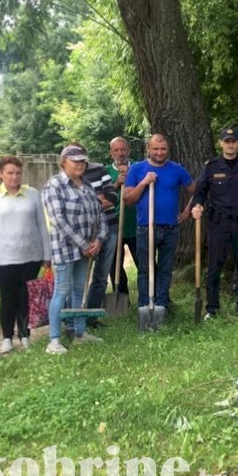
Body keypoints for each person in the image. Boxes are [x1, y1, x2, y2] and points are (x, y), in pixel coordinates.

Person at [0, 156, 52, 353]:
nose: (14, 177)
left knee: (26, 297)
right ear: (1, 174)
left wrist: (47, 253)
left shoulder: (32, 194)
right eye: (9, 173)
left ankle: (25, 335)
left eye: (17, 173)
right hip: (4, 257)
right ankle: (6, 337)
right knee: (8, 298)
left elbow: (42, 225)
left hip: (31, 255)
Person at [192, 127, 238, 318]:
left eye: (233, 141)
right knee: (215, 266)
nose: (230, 144)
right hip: (219, 223)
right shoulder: (212, 166)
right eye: (227, 141)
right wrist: (197, 205)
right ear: (221, 143)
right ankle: (212, 308)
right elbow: (200, 191)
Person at [42, 146, 108, 354]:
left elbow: (100, 216)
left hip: (86, 249)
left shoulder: (86, 185)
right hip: (65, 250)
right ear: (63, 162)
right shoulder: (54, 186)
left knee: (80, 290)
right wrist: (84, 244)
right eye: (75, 161)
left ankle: (79, 333)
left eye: (83, 161)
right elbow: (58, 220)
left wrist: (98, 239)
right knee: (61, 292)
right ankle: (54, 340)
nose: (80, 164)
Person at [124, 134, 195, 314]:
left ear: (168, 149)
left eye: (163, 149)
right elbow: (128, 200)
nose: (159, 152)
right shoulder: (137, 169)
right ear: (148, 148)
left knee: (165, 269)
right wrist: (144, 183)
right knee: (145, 270)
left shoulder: (177, 169)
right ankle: (144, 306)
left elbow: (196, 190)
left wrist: (187, 211)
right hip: (145, 228)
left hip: (170, 228)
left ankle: (162, 305)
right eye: (156, 149)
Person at [83, 146, 118, 325]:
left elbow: (112, 198)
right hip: (83, 233)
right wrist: (99, 200)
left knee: (101, 276)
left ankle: (91, 318)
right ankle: (74, 318)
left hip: (109, 228)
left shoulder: (99, 169)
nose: (78, 162)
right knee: (79, 277)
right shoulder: (66, 178)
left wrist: (89, 206)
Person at [107, 136, 139, 296]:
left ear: (129, 151)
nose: (120, 153)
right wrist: (117, 183)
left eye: (123, 149)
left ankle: (149, 297)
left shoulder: (139, 168)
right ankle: (121, 299)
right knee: (115, 267)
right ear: (111, 152)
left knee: (145, 265)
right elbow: (103, 197)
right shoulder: (105, 172)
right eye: (116, 150)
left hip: (137, 226)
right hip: (114, 228)